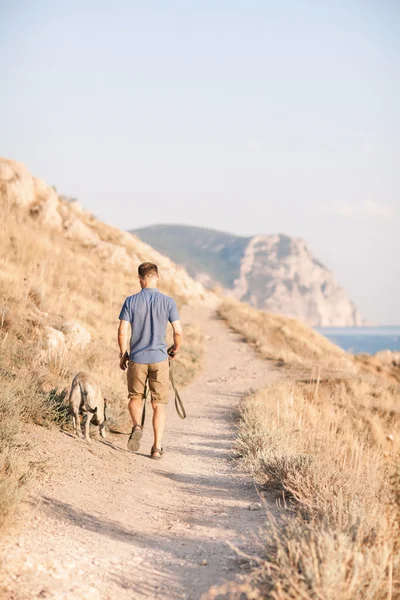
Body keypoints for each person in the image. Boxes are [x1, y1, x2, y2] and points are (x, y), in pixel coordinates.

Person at [118, 262, 183, 459]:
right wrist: (174, 349)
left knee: (135, 398)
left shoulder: (131, 301)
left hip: (137, 358)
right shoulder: (168, 302)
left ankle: (137, 426)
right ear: (157, 277)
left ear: (140, 279)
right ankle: (156, 448)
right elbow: (178, 332)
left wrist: (123, 354)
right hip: (160, 358)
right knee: (158, 405)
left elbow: (122, 331)